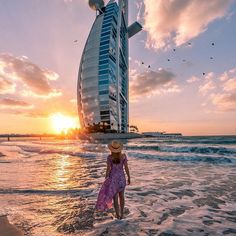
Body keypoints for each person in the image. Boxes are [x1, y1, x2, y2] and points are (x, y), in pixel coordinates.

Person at [95, 140, 130, 219]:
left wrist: (106, 178)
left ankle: (118, 215)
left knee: (115, 198)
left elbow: (108, 169)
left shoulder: (110, 157)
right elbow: (126, 168)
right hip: (122, 179)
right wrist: (129, 177)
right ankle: (122, 214)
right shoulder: (123, 156)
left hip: (113, 179)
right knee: (122, 196)